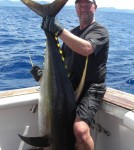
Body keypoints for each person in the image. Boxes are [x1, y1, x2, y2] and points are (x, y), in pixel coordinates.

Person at [32, 0, 109, 150]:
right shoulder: (71, 33)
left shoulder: (100, 31)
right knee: (59, 127)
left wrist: (58, 30)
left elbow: (86, 48)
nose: (83, 8)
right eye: (80, 5)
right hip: (69, 87)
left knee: (80, 130)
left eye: (87, 4)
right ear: (75, 9)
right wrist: (43, 75)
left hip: (91, 89)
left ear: (95, 7)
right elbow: (62, 64)